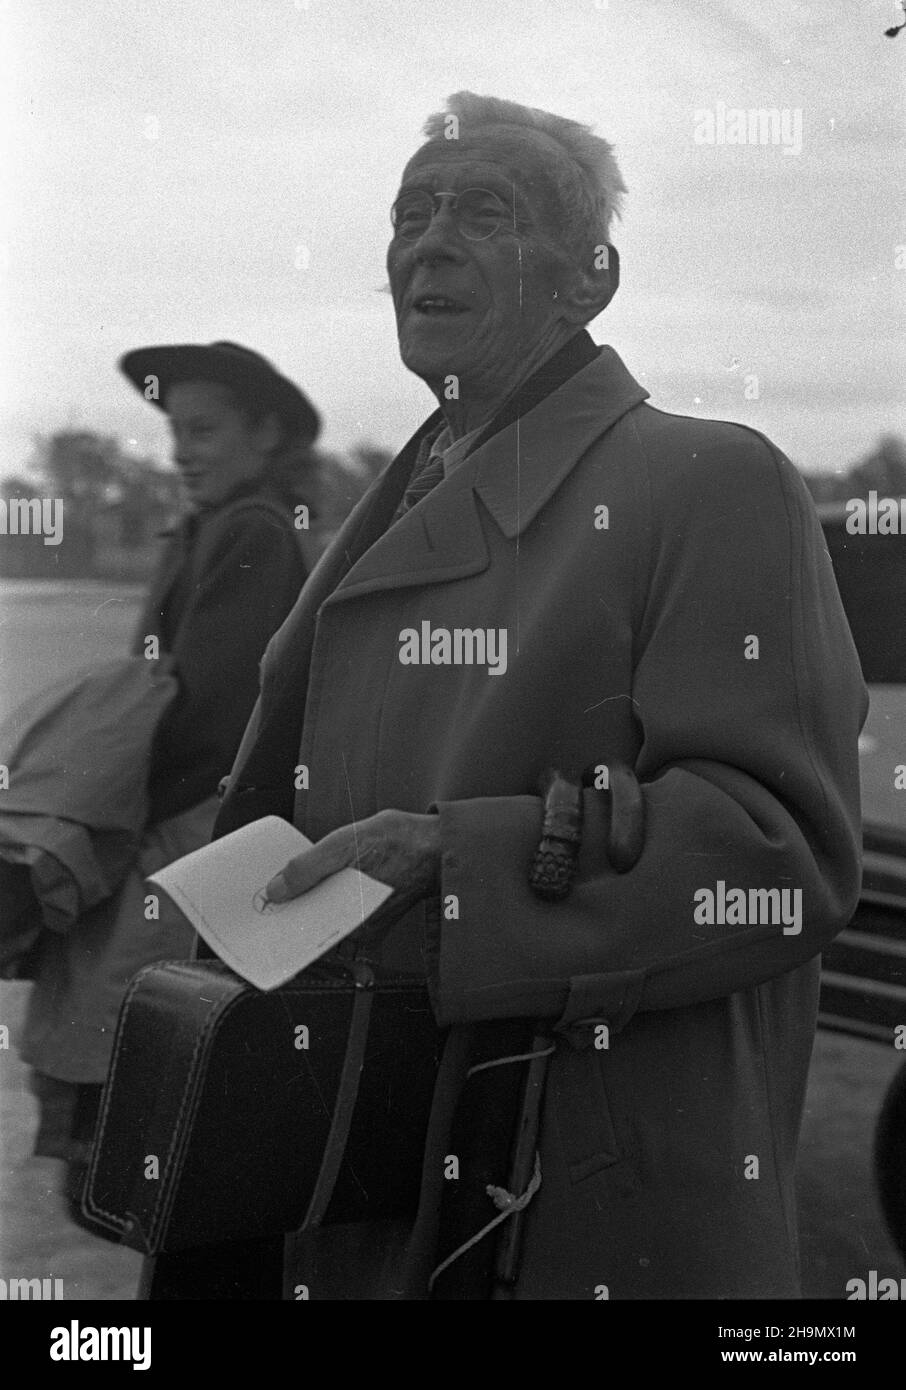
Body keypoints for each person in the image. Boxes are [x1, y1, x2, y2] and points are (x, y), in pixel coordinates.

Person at [212, 93, 866, 1300]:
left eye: (485, 210)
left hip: (569, 1190)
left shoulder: (711, 481)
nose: (429, 239)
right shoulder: (392, 503)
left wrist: (456, 856)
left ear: (591, 279)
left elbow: (778, 857)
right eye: (411, 211)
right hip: (350, 1162)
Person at [21, 341, 321, 1223]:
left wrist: (103, 808)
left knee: (128, 1015)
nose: (184, 450)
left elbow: (213, 712)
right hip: (180, 811)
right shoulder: (212, 526)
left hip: (195, 820)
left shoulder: (251, 529)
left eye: (205, 430)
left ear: (264, 436)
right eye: (175, 431)